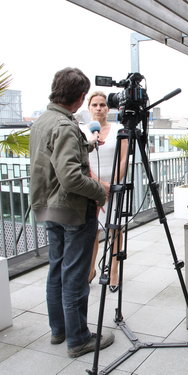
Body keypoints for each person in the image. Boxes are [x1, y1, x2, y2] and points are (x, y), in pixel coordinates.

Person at [29, 67, 115, 357]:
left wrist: (85, 148)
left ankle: (60, 330)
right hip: (72, 210)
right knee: (75, 276)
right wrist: (100, 190)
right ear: (79, 98)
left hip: (47, 206)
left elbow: (56, 163)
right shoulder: (66, 125)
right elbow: (70, 177)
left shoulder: (42, 121)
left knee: (57, 269)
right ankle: (79, 339)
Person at [84, 91, 128, 293]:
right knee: (93, 231)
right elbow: (82, 162)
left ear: (107, 108)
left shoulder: (119, 130)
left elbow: (124, 159)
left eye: (102, 104)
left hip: (115, 188)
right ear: (89, 108)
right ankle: (91, 269)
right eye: (95, 105)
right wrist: (98, 185)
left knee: (115, 231)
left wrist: (111, 185)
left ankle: (113, 272)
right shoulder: (83, 131)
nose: (99, 108)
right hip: (92, 188)